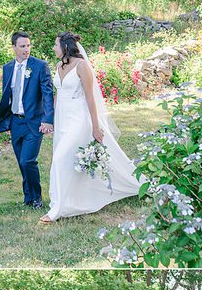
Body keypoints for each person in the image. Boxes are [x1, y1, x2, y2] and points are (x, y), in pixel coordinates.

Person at [40, 32, 140, 222]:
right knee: (66, 160)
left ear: (65, 47)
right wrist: (50, 119)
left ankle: (58, 209)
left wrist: (95, 127)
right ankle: (66, 199)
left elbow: (90, 98)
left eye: (56, 45)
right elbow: (58, 94)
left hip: (78, 119)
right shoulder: (59, 65)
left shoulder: (81, 65)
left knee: (60, 159)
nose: (53, 48)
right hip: (62, 119)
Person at [0, 31, 54, 210]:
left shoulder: (40, 66)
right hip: (15, 121)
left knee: (28, 161)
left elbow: (48, 94)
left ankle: (37, 198)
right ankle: (28, 197)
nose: (26, 49)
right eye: (22, 46)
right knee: (21, 161)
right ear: (14, 47)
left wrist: (48, 119)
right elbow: (8, 95)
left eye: (28, 45)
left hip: (34, 122)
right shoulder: (8, 68)